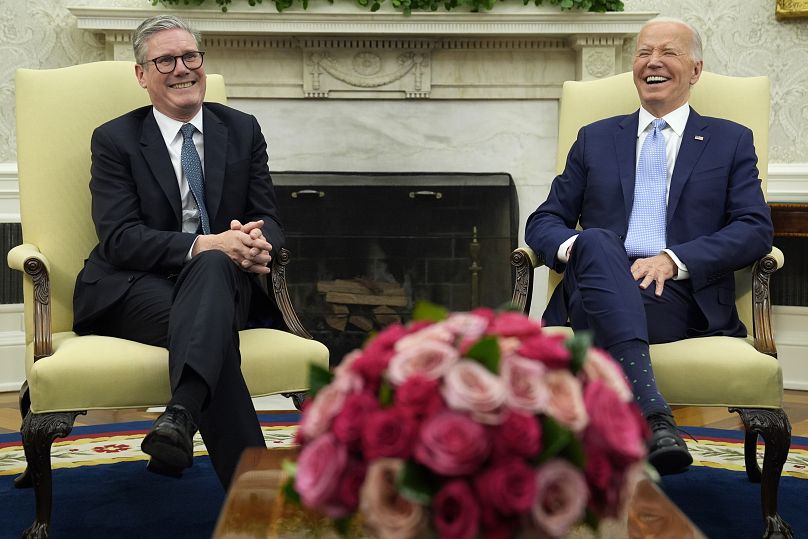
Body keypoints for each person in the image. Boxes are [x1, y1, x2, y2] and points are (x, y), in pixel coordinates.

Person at [525, 17, 773, 475]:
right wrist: (576, 251)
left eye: (668, 53)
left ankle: (611, 439)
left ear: (695, 71)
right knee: (596, 241)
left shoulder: (729, 140)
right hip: (596, 277)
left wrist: (675, 260)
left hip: (677, 294)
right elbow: (544, 220)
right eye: (643, 53)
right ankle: (656, 416)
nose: (652, 62)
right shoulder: (596, 138)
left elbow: (755, 229)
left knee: (604, 272)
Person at [72, 14, 286, 488]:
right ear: (142, 74)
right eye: (165, 59)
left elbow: (268, 216)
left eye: (190, 56)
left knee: (212, 271)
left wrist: (256, 243)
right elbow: (119, 237)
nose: (181, 68)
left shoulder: (243, 129)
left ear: (202, 63)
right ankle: (257, 501)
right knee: (212, 320)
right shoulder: (116, 140)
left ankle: (179, 417)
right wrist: (207, 244)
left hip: (222, 284)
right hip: (132, 288)